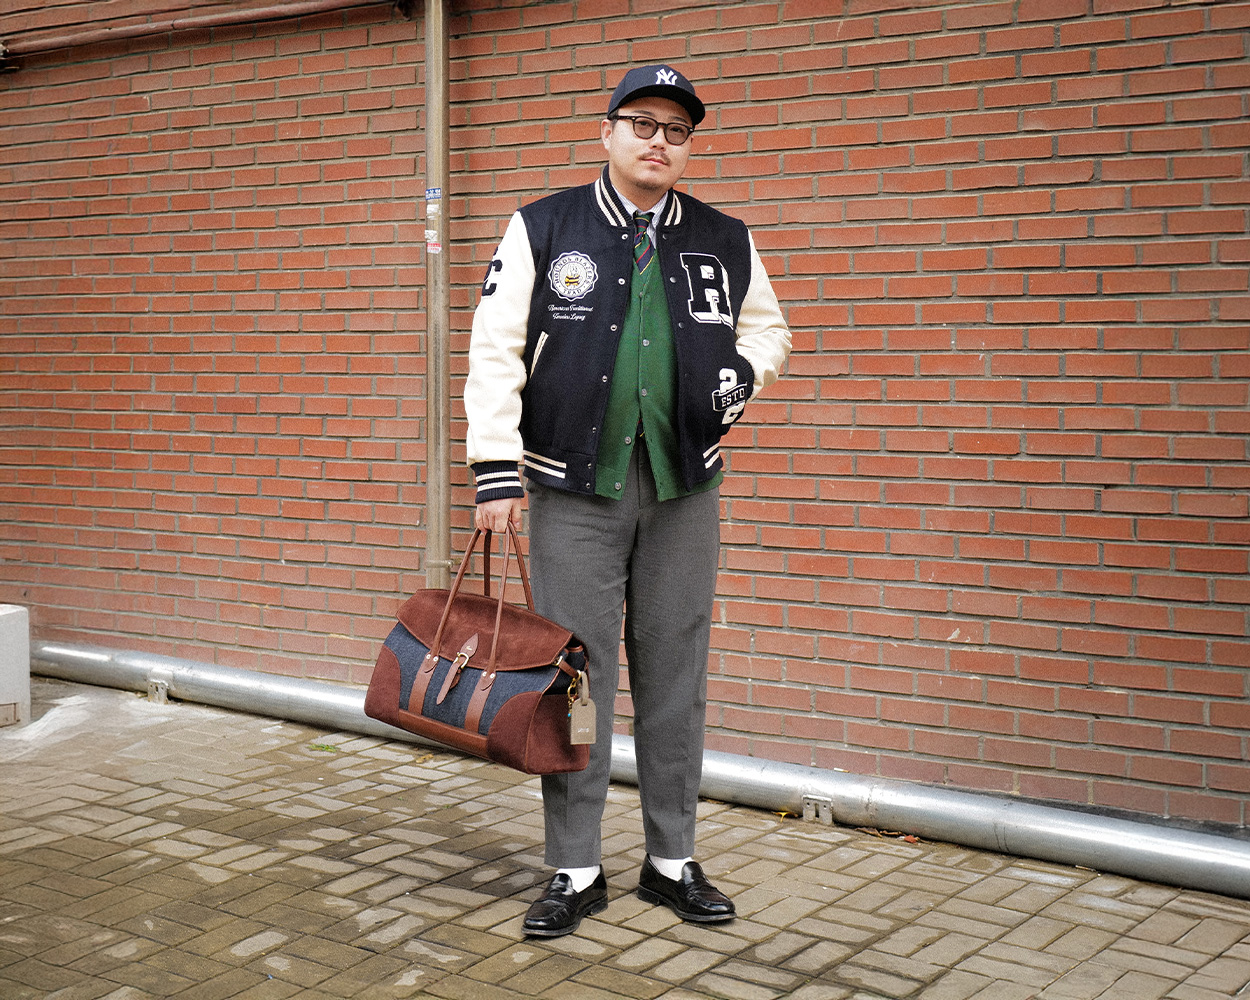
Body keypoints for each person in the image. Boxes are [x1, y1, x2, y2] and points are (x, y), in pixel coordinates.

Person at [464, 64, 791, 937]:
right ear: (607, 132)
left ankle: (671, 860)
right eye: (641, 123)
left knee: (675, 675)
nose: (657, 141)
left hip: (686, 486)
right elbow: (495, 347)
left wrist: (742, 374)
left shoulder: (724, 236)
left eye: (676, 130)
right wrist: (495, 469)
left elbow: (769, 327)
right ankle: (574, 869)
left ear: (688, 147)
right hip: (575, 486)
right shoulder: (544, 226)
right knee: (575, 676)